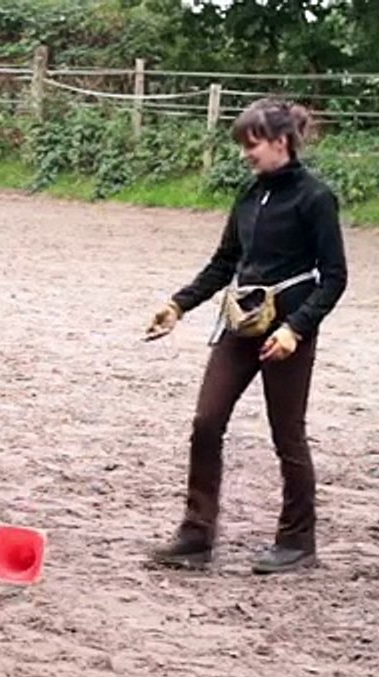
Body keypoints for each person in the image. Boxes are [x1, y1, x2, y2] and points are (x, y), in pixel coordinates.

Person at [143, 97, 348, 574]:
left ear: (281, 142)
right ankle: (196, 535)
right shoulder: (250, 195)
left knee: (287, 436)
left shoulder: (316, 197)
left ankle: (298, 543)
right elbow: (224, 262)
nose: (246, 154)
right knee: (206, 422)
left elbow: (335, 277)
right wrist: (178, 304)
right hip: (242, 324)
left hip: (288, 331)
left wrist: (296, 330)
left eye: (252, 144)